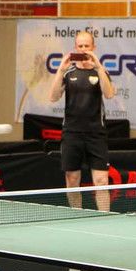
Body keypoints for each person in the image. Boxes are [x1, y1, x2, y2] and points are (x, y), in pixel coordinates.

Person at [48, 30, 116, 208]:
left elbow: (109, 94)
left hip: (96, 133)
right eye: (80, 46)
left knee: (101, 181)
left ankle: (105, 219)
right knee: (72, 179)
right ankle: (76, 215)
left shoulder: (100, 71)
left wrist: (99, 67)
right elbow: (53, 97)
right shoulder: (68, 72)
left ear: (94, 47)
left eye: (87, 46)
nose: (84, 49)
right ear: (75, 48)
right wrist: (60, 70)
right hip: (72, 133)